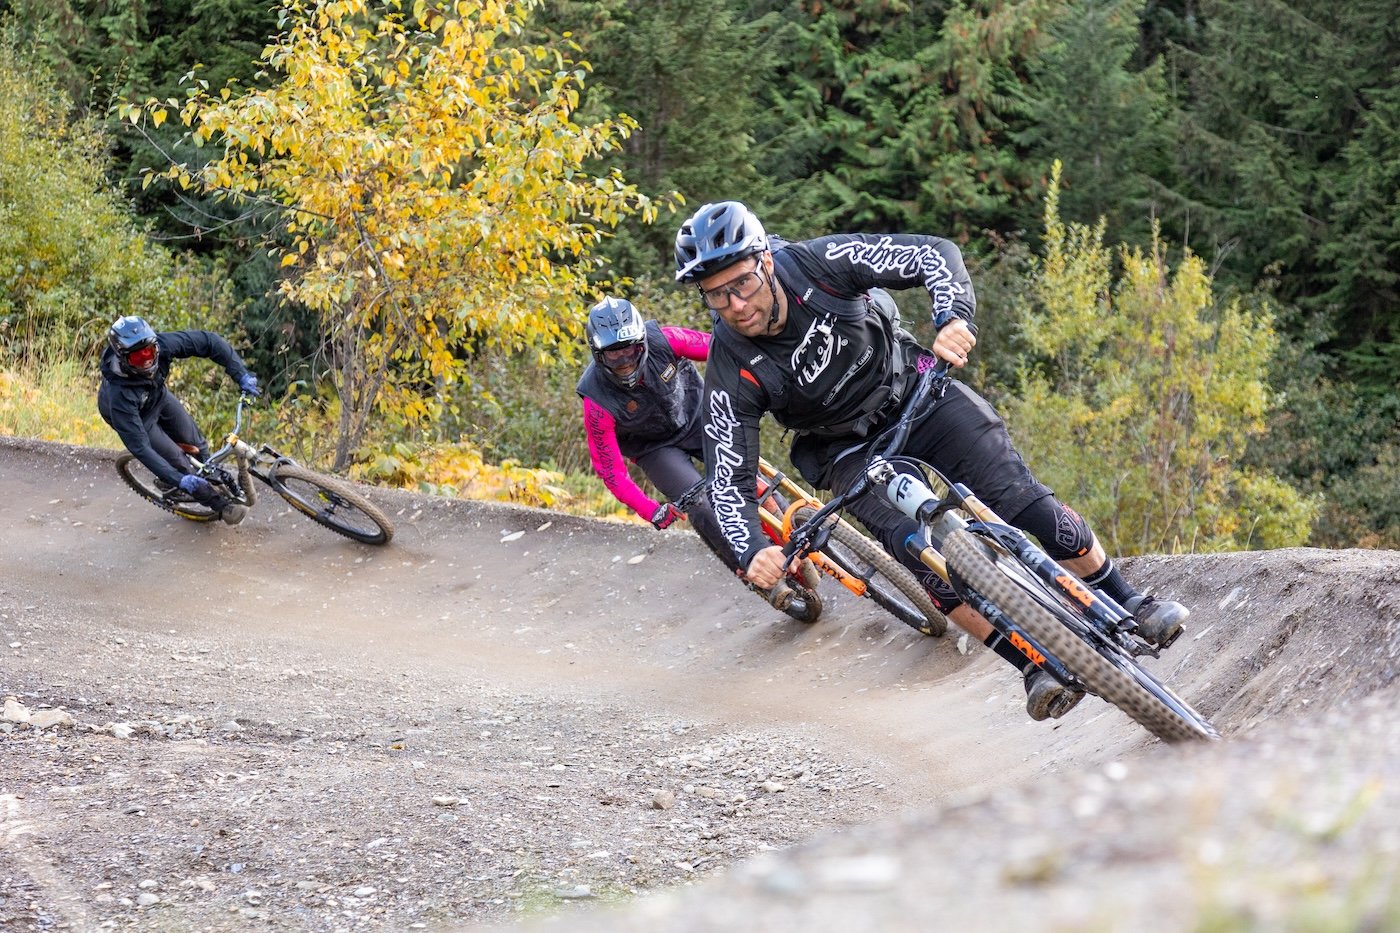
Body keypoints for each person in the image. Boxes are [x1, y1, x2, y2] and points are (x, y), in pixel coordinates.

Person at [675, 200, 1190, 722]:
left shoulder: (817, 263)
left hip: (919, 393)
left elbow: (932, 254)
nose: (735, 304)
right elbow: (728, 477)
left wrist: (952, 318)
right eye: (716, 295)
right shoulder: (730, 364)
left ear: (764, 260)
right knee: (922, 557)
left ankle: (1130, 603)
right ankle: (1031, 664)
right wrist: (753, 551)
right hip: (848, 451)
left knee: (1023, 503)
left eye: (741, 283)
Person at [577, 295, 816, 607]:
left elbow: (724, 349)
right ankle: (751, 571)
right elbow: (611, 471)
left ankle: (791, 528)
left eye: (631, 350)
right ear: (598, 355)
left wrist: (765, 380)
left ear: (643, 342)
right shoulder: (596, 400)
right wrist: (651, 510)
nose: (624, 361)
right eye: (613, 355)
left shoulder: (666, 340)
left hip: (696, 417)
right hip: (655, 449)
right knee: (699, 503)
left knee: (743, 471)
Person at [98, 315, 261, 525]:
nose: (147, 360)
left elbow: (208, 342)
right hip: (138, 419)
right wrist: (181, 480)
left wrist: (241, 375)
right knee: (181, 466)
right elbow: (140, 447)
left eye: (149, 352)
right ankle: (220, 507)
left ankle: (207, 477)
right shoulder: (119, 395)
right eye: (139, 358)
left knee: (199, 445)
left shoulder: (162, 345)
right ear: (123, 357)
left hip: (158, 397)